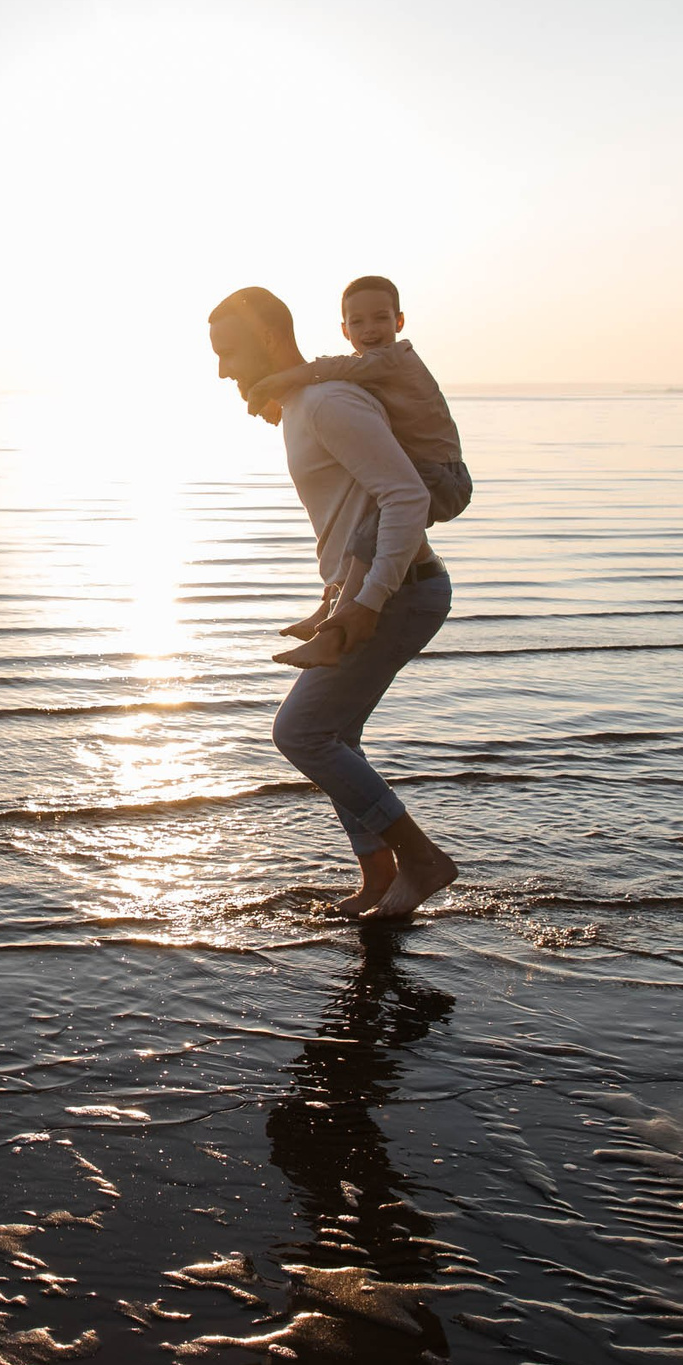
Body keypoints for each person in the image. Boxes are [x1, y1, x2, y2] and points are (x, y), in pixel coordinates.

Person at [209, 286, 459, 920]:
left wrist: (369, 602)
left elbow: (405, 497)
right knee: (336, 735)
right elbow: (357, 512)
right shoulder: (304, 404)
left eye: (227, 351)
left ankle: (420, 860)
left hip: (399, 592)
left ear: (267, 339)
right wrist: (337, 595)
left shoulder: (328, 401)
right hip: (380, 591)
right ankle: (378, 875)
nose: (220, 370)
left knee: (301, 732)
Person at [243, 275, 470, 668]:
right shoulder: (367, 371)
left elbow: (331, 370)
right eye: (358, 322)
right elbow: (342, 378)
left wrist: (281, 381)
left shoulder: (396, 357)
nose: (370, 330)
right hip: (428, 470)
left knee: (368, 531)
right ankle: (330, 607)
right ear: (345, 329)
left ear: (399, 322)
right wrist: (286, 403)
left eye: (380, 318)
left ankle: (340, 622)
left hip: (444, 477)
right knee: (362, 529)